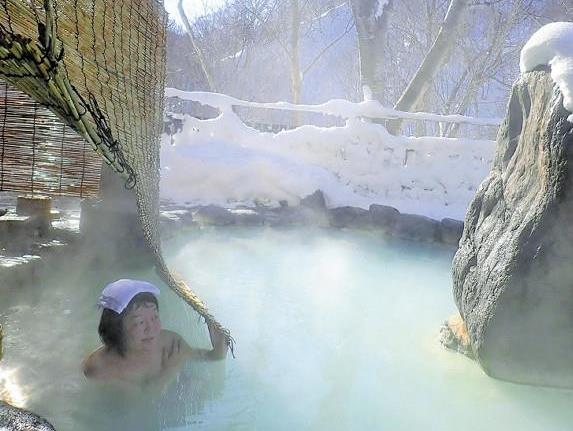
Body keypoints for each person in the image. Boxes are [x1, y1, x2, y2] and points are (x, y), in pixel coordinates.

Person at [82, 279, 228, 390]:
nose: (151, 329)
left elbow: (200, 357)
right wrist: (171, 369)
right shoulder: (101, 368)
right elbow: (137, 409)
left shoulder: (168, 341)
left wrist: (218, 352)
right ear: (115, 329)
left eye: (155, 317)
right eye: (140, 323)